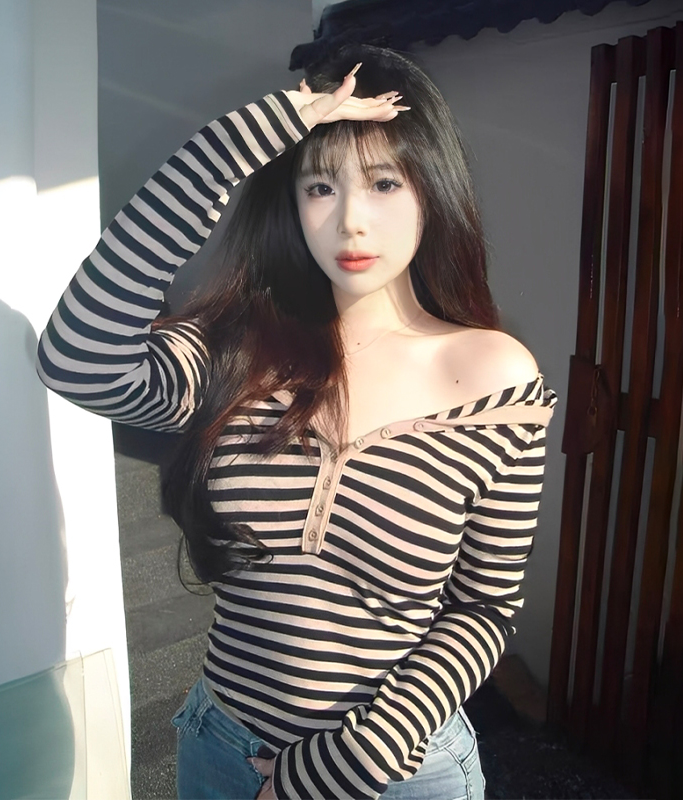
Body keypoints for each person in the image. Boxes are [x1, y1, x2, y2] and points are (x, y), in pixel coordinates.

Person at [37, 44, 556, 800]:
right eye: (320, 186)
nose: (350, 220)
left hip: (394, 771)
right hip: (221, 747)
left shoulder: (495, 377)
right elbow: (77, 359)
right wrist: (235, 145)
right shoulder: (237, 351)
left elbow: (484, 607)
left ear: (431, 190)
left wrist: (343, 765)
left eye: (384, 182)